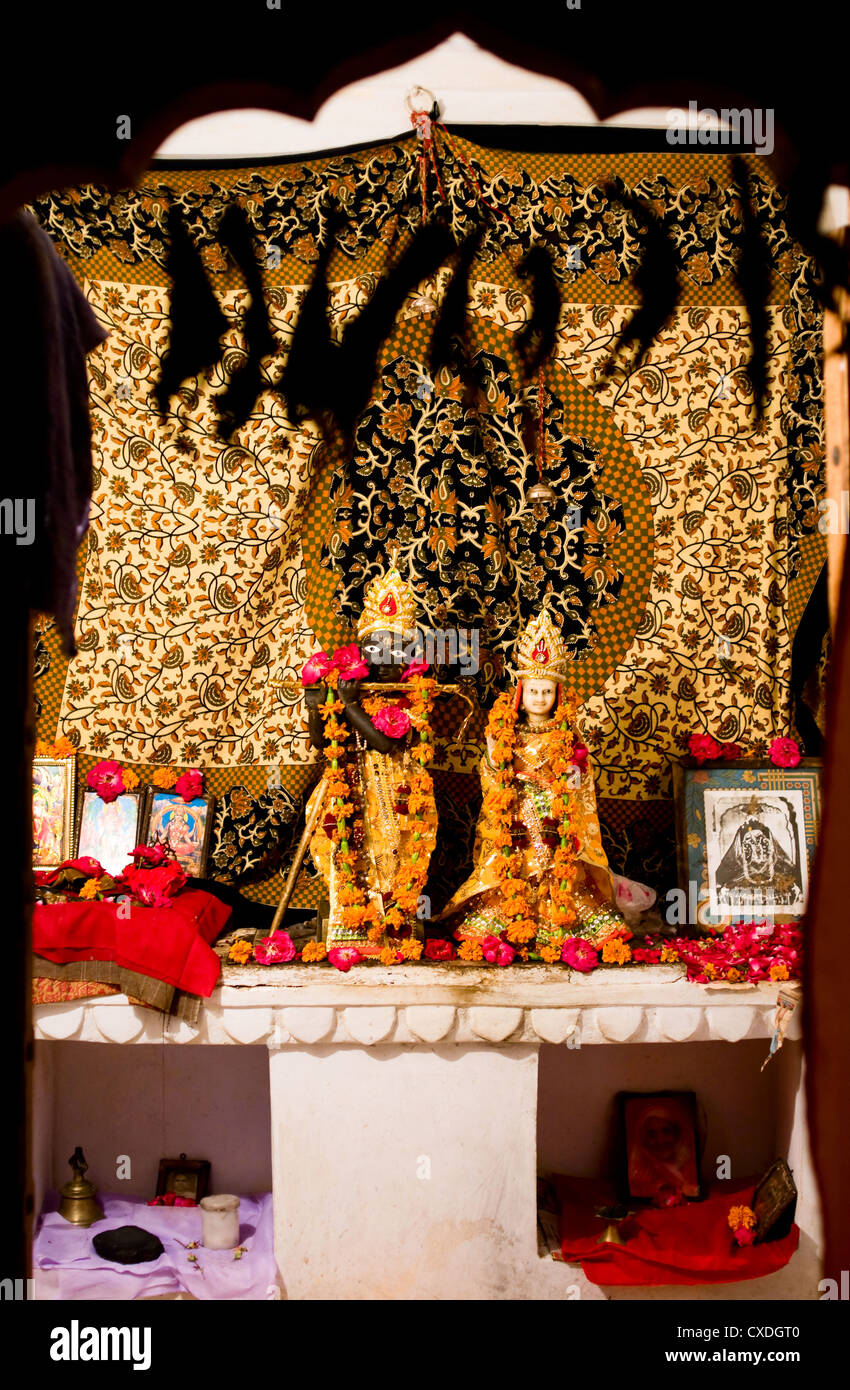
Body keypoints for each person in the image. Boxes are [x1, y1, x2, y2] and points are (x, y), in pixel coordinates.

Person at [435, 607, 653, 958]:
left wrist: (573, 776)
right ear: (521, 693)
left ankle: (563, 920)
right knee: (515, 863)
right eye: (534, 692)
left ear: (558, 695)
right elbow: (491, 775)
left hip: (555, 811)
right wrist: (493, 757)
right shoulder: (507, 731)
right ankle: (511, 919)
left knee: (558, 865)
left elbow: (583, 775)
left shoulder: (566, 733)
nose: (540, 699)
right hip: (517, 810)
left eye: (547, 692)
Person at [302, 560, 438, 959]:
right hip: (351, 788)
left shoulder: (416, 699)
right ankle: (350, 919)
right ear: (362, 652)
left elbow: (383, 743)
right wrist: (317, 707)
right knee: (344, 846)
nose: (385, 656)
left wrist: (347, 705)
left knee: (395, 852)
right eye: (376, 646)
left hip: (398, 792)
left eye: (396, 647)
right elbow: (321, 744)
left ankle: (395, 923)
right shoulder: (352, 691)